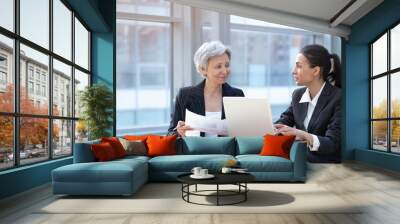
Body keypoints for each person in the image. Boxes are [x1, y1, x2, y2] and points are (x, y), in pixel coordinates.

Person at [274, 44, 341, 163]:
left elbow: (332, 143)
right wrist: (271, 126)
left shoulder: (337, 97)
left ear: (315, 71)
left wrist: (302, 134)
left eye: (299, 66)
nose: (293, 71)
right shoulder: (297, 95)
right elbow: (284, 121)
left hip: (325, 165)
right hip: (299, 160)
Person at [168, 41, 244, 137]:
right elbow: (170, 134)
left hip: (227, 152)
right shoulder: (185, 95)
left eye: (227, 65)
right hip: (195, 151)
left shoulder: (237, 95)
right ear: (203, 69)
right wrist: (178, 132)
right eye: (218, 66)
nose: (225, 71)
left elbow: (243, 135)